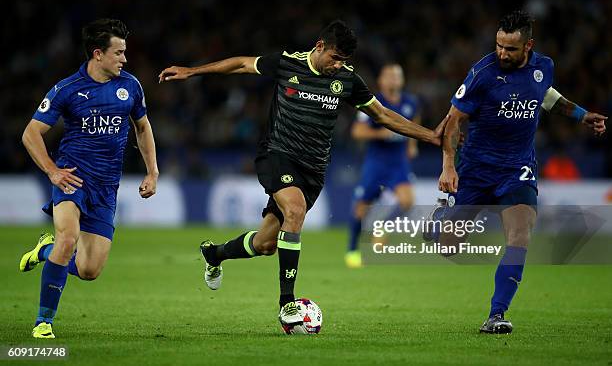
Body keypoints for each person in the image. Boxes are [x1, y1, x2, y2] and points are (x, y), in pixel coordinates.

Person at [159, 20, 448, 329]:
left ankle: (214, 254)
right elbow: (242, 64)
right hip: (277, 155)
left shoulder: (348, 81)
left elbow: (383, 115)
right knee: (294, 211)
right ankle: (287, 304)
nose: (338, 65)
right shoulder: (287, 64)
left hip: (312, 170)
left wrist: (428, 135)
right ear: (319, 46)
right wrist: (193, 71)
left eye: (344, 61)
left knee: (266, 244)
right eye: (335, 58)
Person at [436, 10, 607, 334]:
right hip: (476, 168)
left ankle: (496, 315)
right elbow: (453, 121)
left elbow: (546, 96)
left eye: (510, 49)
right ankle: (438, 222)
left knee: (520, 234)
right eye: (499, 45)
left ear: (528, 45)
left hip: (518, 168)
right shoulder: (482, 73)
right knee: (449, 246)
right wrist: (448, 165)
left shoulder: (544, 67)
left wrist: (582, 115)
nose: (502, 53)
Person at [20, 19, 159, 339]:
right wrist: (52, 171)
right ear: (98, 54)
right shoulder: (67, 89)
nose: (125, 59)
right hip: (73, 179)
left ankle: (45, 251)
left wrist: (152, 171)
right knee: (68, 239)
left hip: (107, 187)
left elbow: (142, 127)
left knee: (89, 270)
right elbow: (31, 134)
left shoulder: (131, 87)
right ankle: (44, 321)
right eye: (119, 53)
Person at [345, 63, 420, 268]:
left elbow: (414, 121)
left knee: (407, 201)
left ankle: (383, 226)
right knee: (361, 208)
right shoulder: (372, 103)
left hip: (398, 163)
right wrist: (381, 133)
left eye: (397, 76)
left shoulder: (410, 102)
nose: (393, 79)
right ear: (380, 81)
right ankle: (352, 250)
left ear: (402, 80)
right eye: (389, 76)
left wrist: (412, 144)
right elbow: (357, 132)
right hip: (376, 163)